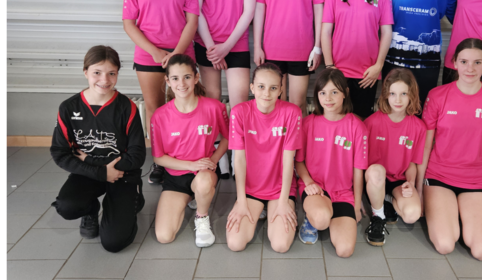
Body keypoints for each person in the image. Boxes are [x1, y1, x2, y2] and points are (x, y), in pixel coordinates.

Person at [123, 0, 200, 184]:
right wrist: (156, 52)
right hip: (148, 55)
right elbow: (129, 24)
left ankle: (186, 158)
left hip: (182, 53)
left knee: (184, 108)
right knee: (155, 110)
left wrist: (177, 54)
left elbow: (192, 21)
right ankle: (160, 161)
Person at [418, 38, 482, 260]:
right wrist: (419, 189)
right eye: (464, 61)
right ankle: (451, 214)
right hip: (439, 177)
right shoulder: (437, 95)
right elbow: (425, 145)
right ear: (454, 63)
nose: (470, 68)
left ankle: (463, 214)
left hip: (476, 181)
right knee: (445, 244)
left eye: (477, 62)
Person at [50, 45, 146, 253]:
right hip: (88, 174)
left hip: (122, 173)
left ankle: (133, 195)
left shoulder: (127, 107)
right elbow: (60, 153)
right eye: (97, 73)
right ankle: (91, 209)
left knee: (113, 243)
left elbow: (137, 156)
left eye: (112, 73)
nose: (104, 79)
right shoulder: (69, 108)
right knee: (67, 206)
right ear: (85, 72)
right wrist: (101, 172)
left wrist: (90, 160)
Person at [190, 0, 259, 179]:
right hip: (206, 43)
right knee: (213, 102)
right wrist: (211, 47)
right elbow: (196, 8)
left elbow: (249, 11)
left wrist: (226, 47)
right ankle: (219, 156)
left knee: (240, 104)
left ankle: (238, 153)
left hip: (236, 44)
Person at [151, 54, 229, 248]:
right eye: (175, 78)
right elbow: (158, 158)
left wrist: (213, 160)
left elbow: (228, 138)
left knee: (203, 182)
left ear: (196, 78)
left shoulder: (214, 108)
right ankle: (191, 196)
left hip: (204, 172)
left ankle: (202, 217)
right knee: (164, 236)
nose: (181, 83)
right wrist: (190, 165)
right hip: (175, 177)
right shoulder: (159, 116)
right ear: (168, 81)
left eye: (187, 77)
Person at [226, 63, 302, 253]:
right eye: (261, 87)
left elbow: (288, 161)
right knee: (235, 244)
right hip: (251, 188)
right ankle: (260, 208)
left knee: (280, 245)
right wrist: (241, 201)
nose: (266, 93)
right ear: (252, 88)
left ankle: (273, 208)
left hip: (279, 189)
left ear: (280, 90)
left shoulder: (292, 113)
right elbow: (239, 160)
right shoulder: (239, 112)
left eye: (273, 88)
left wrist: (283, 202)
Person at [295, 69, 368, 257]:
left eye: (334, 92)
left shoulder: (357, 127)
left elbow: (358, 170)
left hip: (343, 192)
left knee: (345, 250)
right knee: (321, 220)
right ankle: (312, 217)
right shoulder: (308, 124)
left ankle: (327, 212)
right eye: (323, 93)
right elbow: (299, 162)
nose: (328, 98)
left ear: (345, 93)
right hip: (315, 188)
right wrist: (309, 182)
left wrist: (356, 205)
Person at [321, 0, 393, 119]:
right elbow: (326, 31)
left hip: (367, 75)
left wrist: (379, 65)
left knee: (362, 124)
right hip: (338, 72)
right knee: (337, 123)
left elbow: (386, 32)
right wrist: (329, 66)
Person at [363, 68, 426, 246]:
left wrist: (411, 183)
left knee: (412, 215)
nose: (398, 100)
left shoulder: (418, 127)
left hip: (399, 179)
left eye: (403, 94)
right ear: (386, 95)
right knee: (377, 171)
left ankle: (387, 199)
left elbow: (413, 162)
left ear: (412, 95)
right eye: (393, 94)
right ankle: (378, 216)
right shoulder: (371, 122)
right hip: (375, 178)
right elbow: (359, 162)